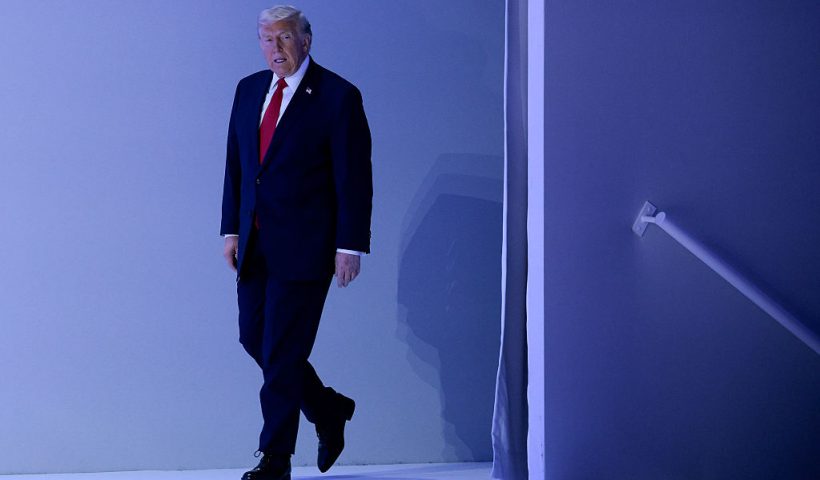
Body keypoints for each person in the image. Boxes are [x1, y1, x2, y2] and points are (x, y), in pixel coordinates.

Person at [220, 5, 372, 480]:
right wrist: (231, 229)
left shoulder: (337, 96)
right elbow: (237, 165)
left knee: (283, 350)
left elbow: (354, 177)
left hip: (307, 245)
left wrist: (350, 245)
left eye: (285, 38)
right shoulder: (248, 89)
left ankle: (276, 459)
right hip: (256, 242)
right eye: (267, 39)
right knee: (255, 337)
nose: (276, 48)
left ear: (306, 40)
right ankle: (327, 408)